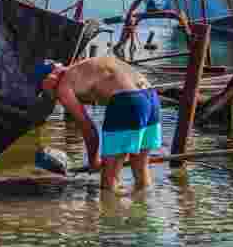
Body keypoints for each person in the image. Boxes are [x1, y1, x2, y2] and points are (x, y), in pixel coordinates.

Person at [34, 56, 161, 192]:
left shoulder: (62, 86)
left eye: (42, 90)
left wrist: (93, 161)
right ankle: (143, 209)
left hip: (127, 101)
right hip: (151, 96)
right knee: (140, 167)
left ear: (49, 79)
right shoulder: (80, 69)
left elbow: (89, 130)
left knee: (109, 181)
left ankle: (109, 211)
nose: (45, 95)